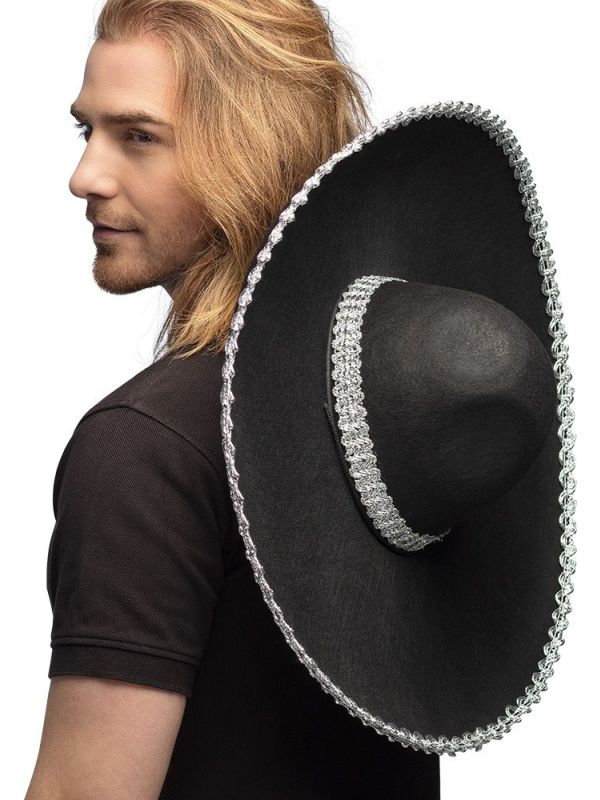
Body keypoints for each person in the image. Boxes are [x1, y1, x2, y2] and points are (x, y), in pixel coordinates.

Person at [25, 1, 441, 798]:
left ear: (248, 151)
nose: (85, 177)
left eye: (138, 137)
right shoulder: (391, 409)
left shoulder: (147, 450)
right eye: (88, 130)